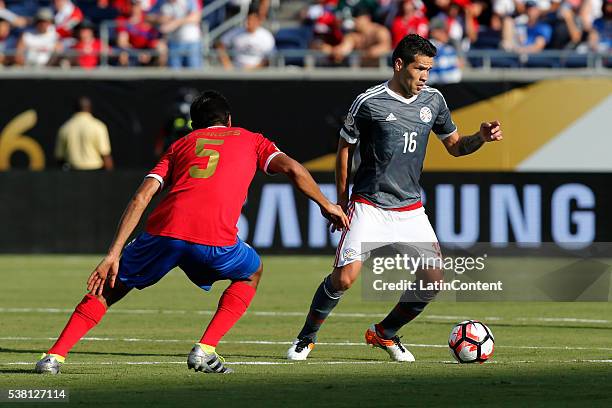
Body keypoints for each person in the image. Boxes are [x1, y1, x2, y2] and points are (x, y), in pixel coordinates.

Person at [36, 90, 349, 375]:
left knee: (108, 289)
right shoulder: (252, 140)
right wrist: (326, 204)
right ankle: (206, 348)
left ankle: (54, 356)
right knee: (252, 272)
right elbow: (294, 169)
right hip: (214, 241)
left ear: (194, 125)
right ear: (228, 120)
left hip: (163, 233)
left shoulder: (180, 145)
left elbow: (141, 197)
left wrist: (113, 253)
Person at [287, 34, 503, 362]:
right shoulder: (369, 102)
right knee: (344, 278)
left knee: (433, 281)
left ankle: (384, 333)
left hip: (410, 209)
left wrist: (481, 138)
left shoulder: (434, 101)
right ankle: (306, 338)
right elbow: (345, 150)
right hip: (368, 205)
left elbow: (457, 147)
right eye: (420, 68)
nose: (425, 76)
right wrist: (341, 201)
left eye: (429, 70)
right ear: (400, 64)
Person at [55, 97, 113, 171]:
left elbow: (59, 158)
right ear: (90, 108)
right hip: (95, 173)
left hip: (72, 174)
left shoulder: (65, 128)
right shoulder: (98, 126)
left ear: (74, 109)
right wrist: (110, 178)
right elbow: (106, 155)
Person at [148, 0, 202, 69]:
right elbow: (148, 17)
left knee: (194, 74)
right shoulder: (161, 2)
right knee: (174, 75)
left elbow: (196, 18)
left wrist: (175, 23)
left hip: (192, 42)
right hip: (173, 43)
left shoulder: (188, 1)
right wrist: (160, 19)